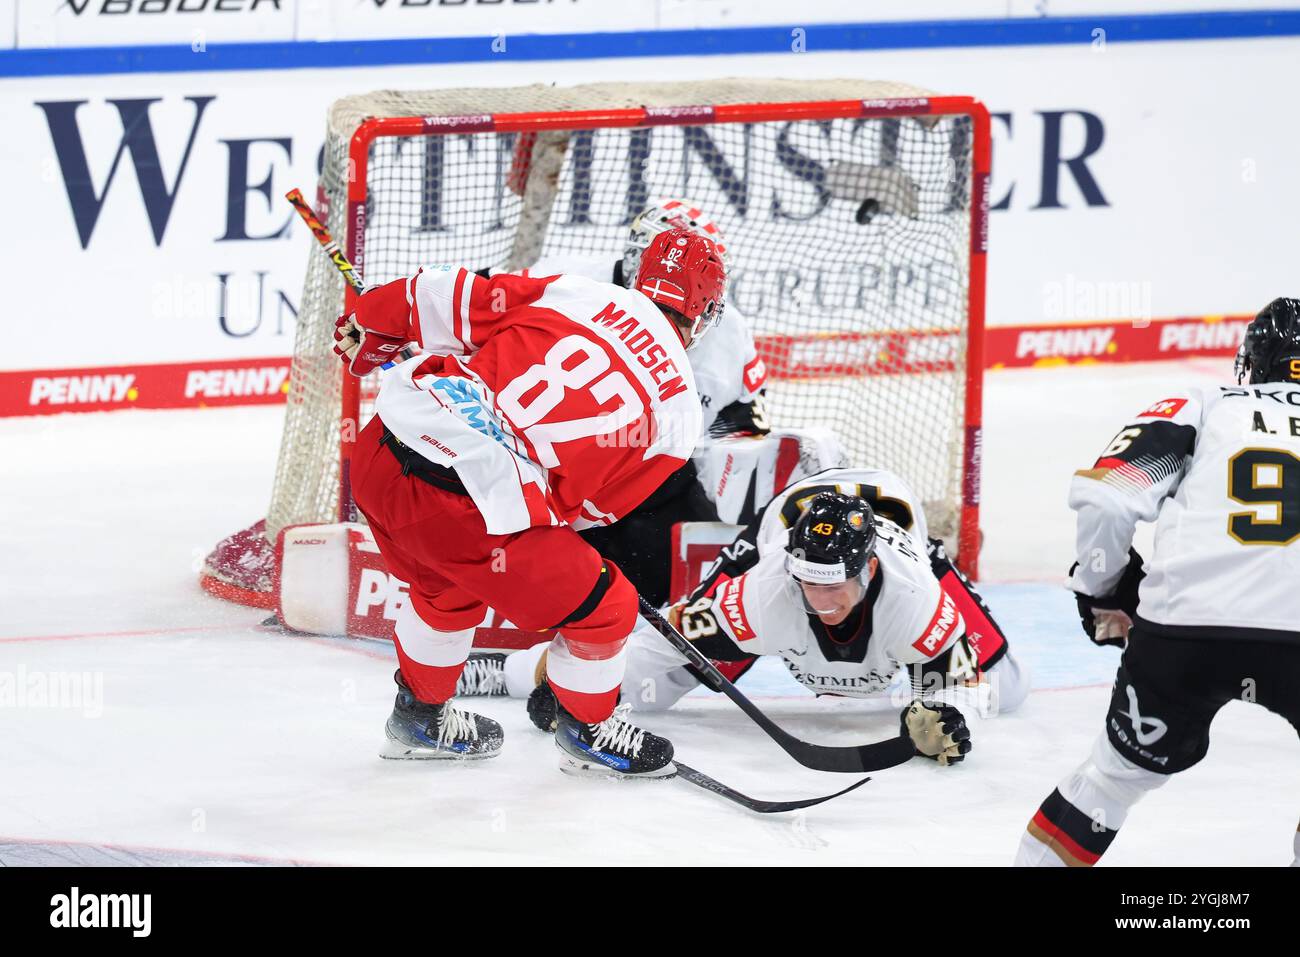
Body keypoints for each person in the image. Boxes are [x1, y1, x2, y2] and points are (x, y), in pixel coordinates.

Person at [335, 227, 725, 779]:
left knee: (447, 587)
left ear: (641, 276)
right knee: (606, 605)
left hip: (382, 451)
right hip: (467, 508)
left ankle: (419, 719)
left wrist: (371, 325)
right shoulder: (680, 411)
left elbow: (438, 295)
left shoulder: (580, 292)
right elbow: (594, 513)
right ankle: (588, 730)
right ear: (705, 310)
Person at [1016, 297, 1300, 867]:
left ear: (1253, 360)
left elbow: (1107, 496)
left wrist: (1106, 587)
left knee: (1109, 782)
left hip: (1189, 630)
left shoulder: (1206, 403)